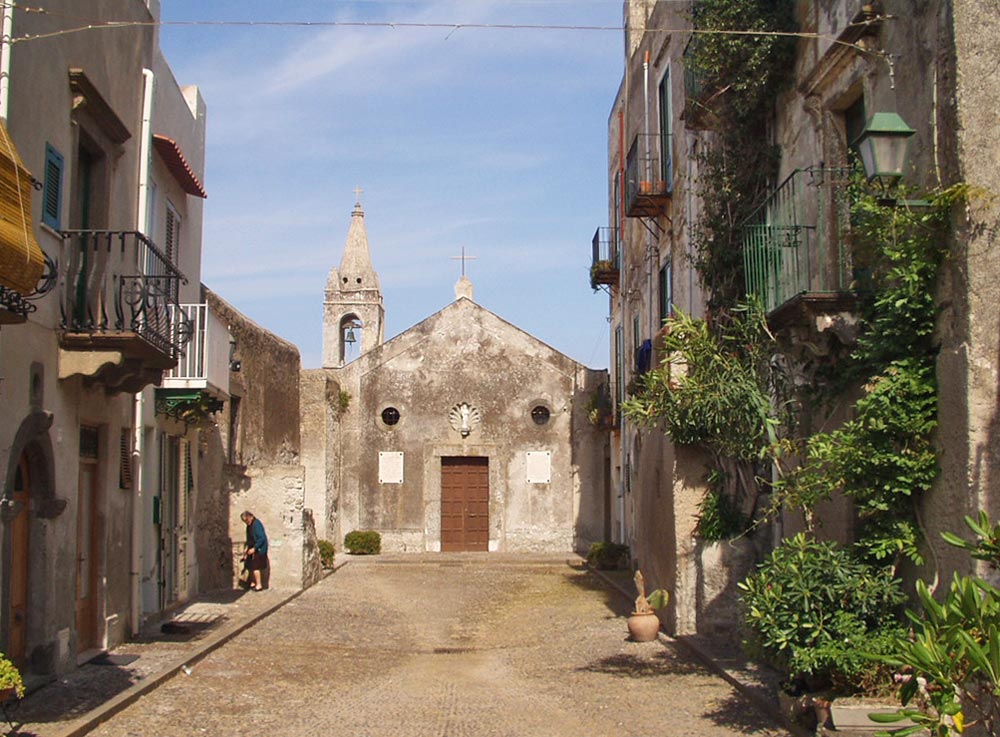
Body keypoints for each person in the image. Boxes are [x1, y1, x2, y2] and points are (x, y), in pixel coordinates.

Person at [240, 510, 269, 591]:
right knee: (250, 566)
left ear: (250, 517)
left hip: (259, 549)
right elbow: (249, 538)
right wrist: (247, 548)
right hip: (252, 547)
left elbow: (261, 538)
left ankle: (259, 585)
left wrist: (255, 548)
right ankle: (252, 583)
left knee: (256, 567)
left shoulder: (257, 524)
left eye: (246, 520)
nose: (246, 522)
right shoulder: (249, 526)